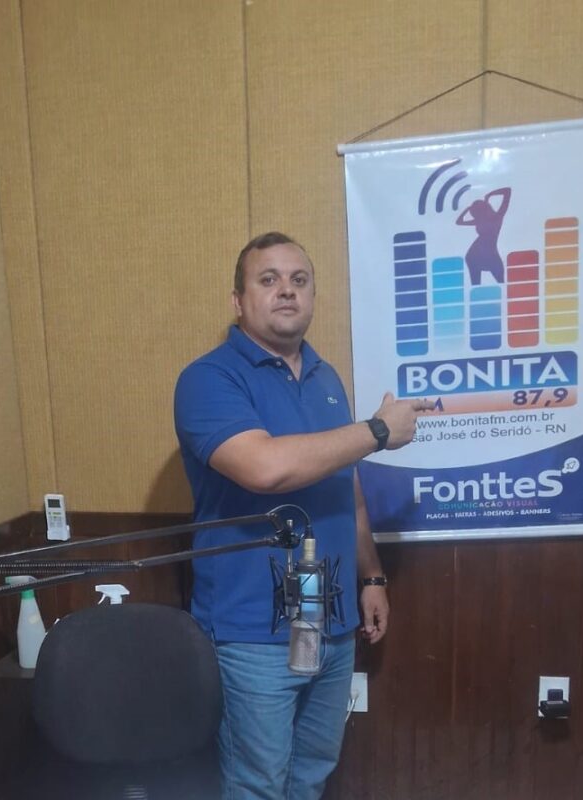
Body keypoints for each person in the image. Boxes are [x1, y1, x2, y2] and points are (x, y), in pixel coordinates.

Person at [174, 232, 432, 800]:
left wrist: (372, 576)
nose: (286, 291)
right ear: (239, 300)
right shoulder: (209, 379)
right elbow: (264, 468)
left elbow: (346, 485)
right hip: (250, 632)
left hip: (330, 623)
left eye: (299, 280)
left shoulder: (325, 377)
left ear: (313, 295)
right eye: (268, 280)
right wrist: (378, 430)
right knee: (258, 784)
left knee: (313, 774)